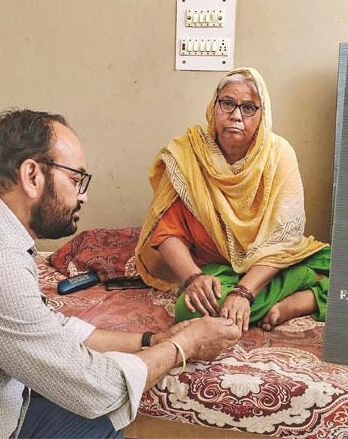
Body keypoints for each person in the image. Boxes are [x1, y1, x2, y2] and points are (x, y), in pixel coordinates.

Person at [0, 109, 241, 438]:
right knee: (100, 413)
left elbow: (46, 326)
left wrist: (152, 341)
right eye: (76, 179)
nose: (84, 196)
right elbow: (99, 389)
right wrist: (186, 344)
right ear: (32, 175)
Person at [135, 68, 331, 333]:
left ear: (263, 115)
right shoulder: (187, 153)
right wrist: (193, 278)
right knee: (189, 309)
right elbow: (166, 233)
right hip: (216, 271)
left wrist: (244, 293)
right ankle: (305, 286)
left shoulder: (279, 154)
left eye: (249, 107)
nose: (236, 115)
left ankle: (299, 300)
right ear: (213, 106)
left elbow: (283, 241)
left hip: (269, 265)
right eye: (227, 103)